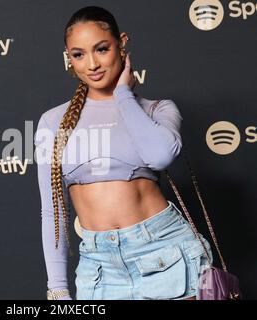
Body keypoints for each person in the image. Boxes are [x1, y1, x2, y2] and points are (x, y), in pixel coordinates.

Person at [34, 6, 213, 300]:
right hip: (99, 267)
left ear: (122, 43)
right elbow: (52, 210)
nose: (91, 64)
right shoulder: (52, 122)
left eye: (101, 49)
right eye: (78, 54)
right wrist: (57, 287)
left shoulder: (158, 109)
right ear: (69, 58)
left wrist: (123, 95)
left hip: (164, 251)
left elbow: (160, 156)